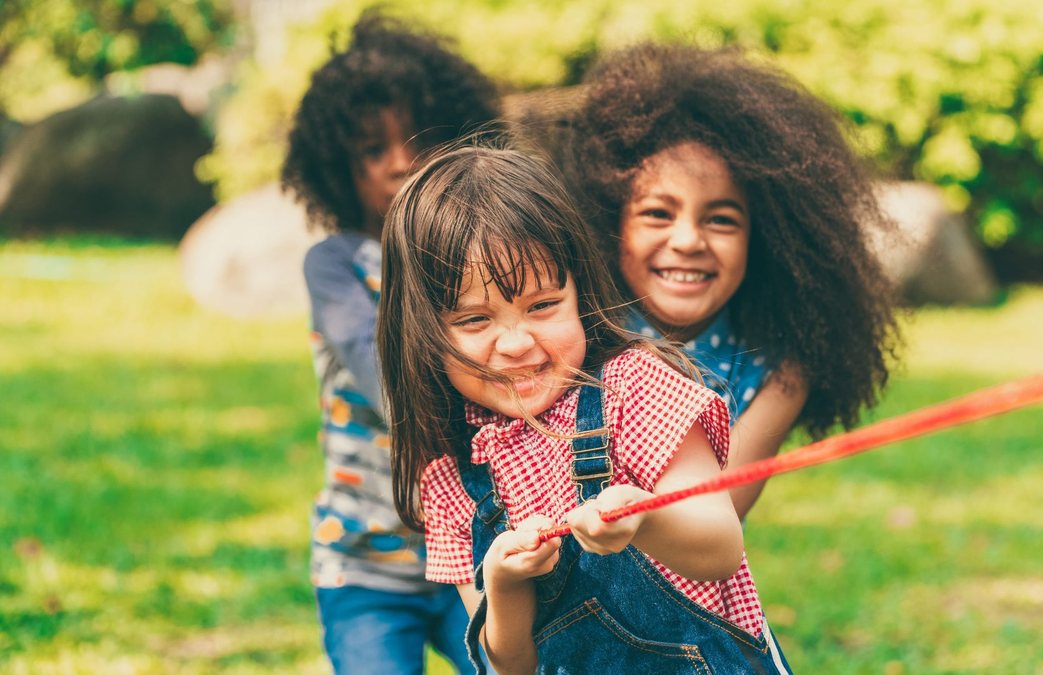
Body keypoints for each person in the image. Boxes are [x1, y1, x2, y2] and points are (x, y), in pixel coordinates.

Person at [376, 145, 792, 674]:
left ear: (579, 291)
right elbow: (510, 666)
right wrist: (503, 586)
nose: (515, 343)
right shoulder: (450, 478)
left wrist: (645, 520)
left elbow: (720, 546)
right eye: (475, 320)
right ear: (422, 334)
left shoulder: (633, 388)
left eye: (543, 306)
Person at [561, 44, 899, 518]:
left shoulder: (780, 372)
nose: (688, 240)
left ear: (765, 242)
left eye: (720, 220)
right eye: (658, 213)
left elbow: (717, 522)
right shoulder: (574, 326)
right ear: (610, 224)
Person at [280, 14, 499, 674]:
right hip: (368, 562)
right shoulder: (337, 264)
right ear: (336, 170)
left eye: (416, 140)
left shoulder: (482, 257)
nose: (401, 161)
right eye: (373, 150)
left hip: (484, 546)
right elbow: (384, 380)